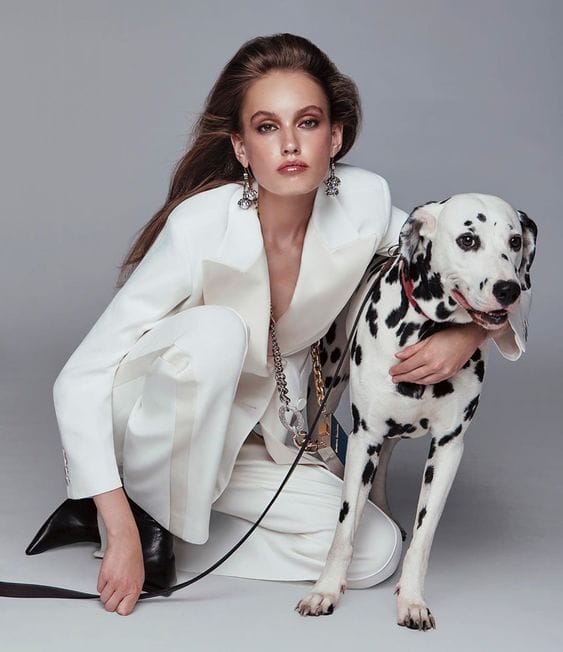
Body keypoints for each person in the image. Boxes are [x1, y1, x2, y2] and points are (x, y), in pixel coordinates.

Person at [47, 33, 527, 616]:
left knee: (375, 555)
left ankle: (165, 534)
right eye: (267, 127)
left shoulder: (366, 204)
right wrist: (122, 528)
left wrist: (471, 332)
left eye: (308, 122)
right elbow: (79, 378)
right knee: (218, 334)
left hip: (260, 436)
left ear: (335, 137)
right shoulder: (199, 226)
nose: (291, 143)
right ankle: (133, 513)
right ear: (241, 147)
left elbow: (469, 261)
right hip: (162, 426)